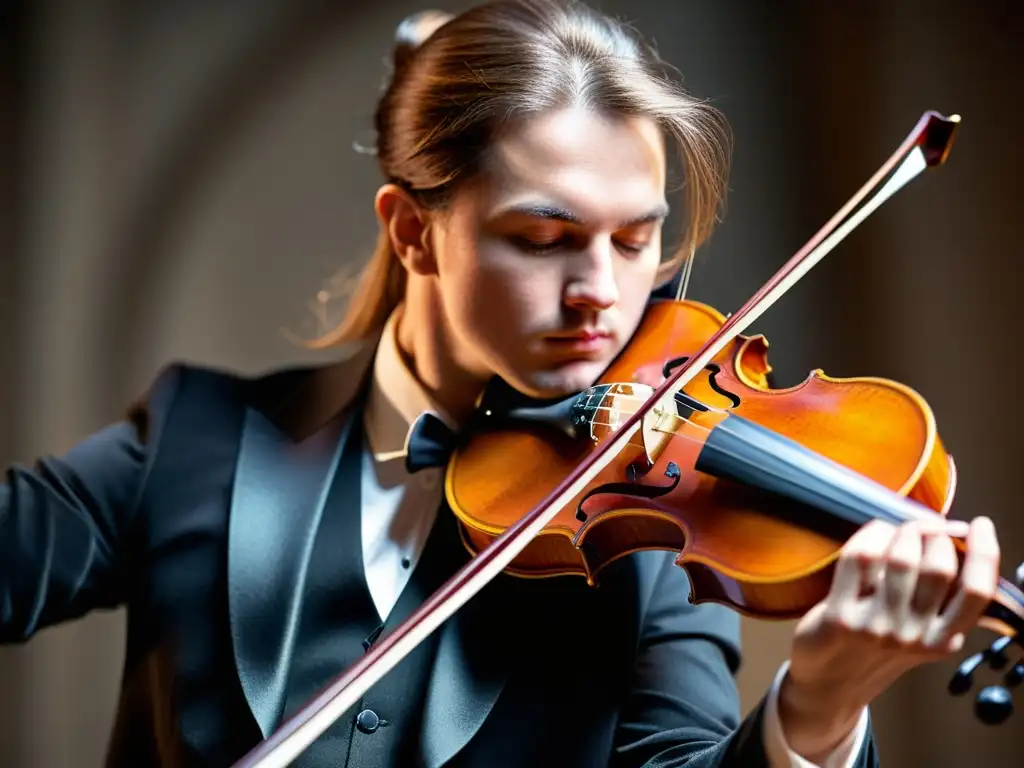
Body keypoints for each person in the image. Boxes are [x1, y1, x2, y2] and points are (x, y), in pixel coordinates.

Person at [0, 1, 1001, 766]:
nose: (601, 294)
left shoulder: (644, 540)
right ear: (411, 229)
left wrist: (815, 712)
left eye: (636, 238)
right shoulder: (195, 437)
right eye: (543, 239)